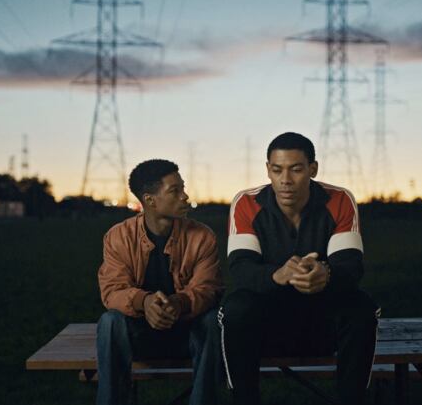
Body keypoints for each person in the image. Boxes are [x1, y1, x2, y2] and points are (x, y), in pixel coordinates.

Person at [218, 132, 380, 405]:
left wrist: (325, 274)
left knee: (361, 307)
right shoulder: (246, 202)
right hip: (268, 318)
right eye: (277, 169)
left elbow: (350, 266)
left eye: (296, 169)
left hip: (322, 315)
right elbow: (241, 268)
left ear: (312, 169)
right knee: (236, 308)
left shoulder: (339, 199)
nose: (285, 180)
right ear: (268, 170)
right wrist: (277, 274)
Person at [96, 159, 223, 405]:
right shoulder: (118, 237)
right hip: (140, 332)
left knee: (212, 320)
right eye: (175, 191)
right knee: (110, 322)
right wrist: (145, 302)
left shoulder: (202, 236)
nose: (185, 196)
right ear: (149, 200)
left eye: (183, 187)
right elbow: (112, 290)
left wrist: (178, 302)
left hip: (187, 331)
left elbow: (209, 288)